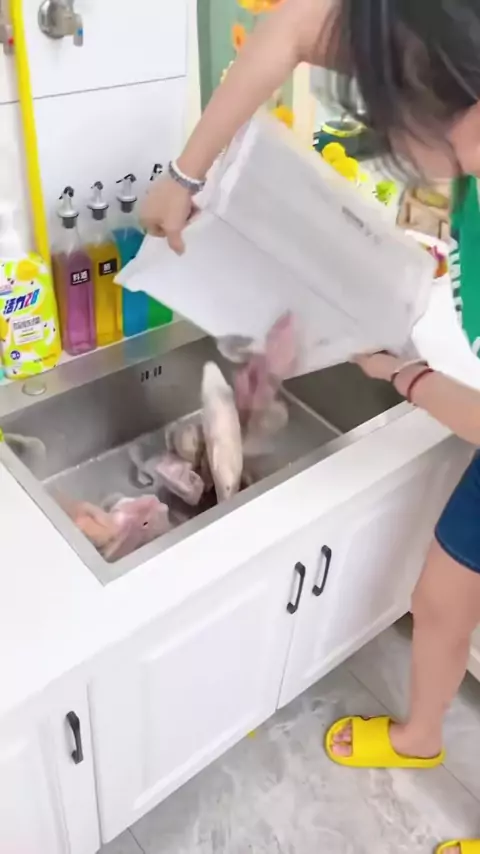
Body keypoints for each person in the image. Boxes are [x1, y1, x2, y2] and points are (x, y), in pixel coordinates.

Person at [141, 3, 480, 851]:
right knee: (442, 596)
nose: (394, 141)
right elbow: (296, 26)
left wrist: (406, 377)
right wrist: (185, 176)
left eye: (398, 125)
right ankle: (421, 736)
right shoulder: (450, 65)